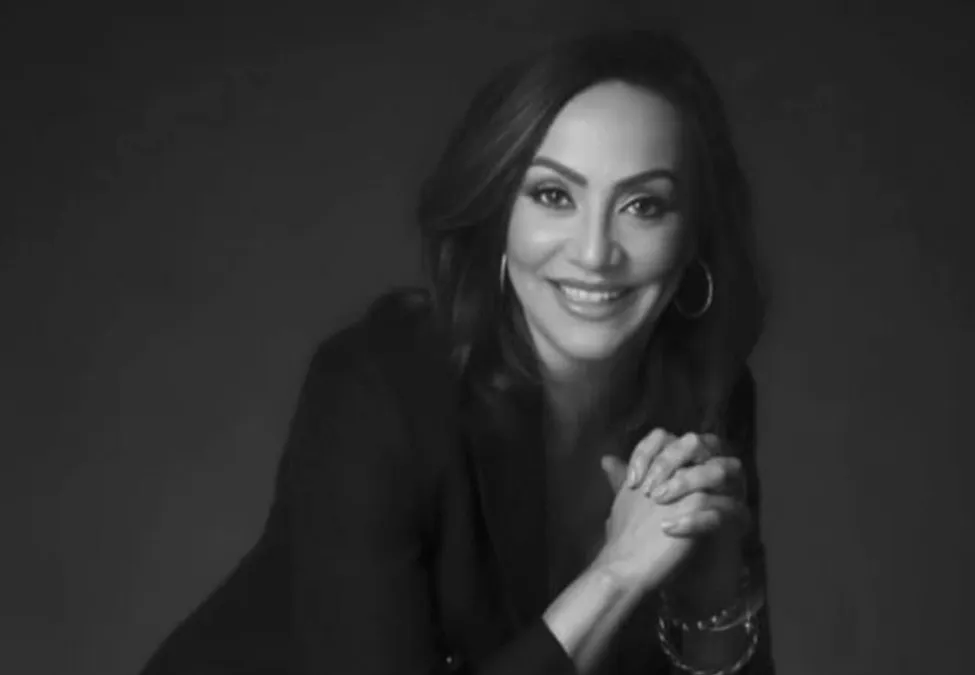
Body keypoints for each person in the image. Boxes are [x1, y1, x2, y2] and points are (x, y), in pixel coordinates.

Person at [140, 28, 774, 675]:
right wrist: (616, 575)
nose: (594, 253)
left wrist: (712, 595)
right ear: (498, 213)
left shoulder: (705, 395)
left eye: (643, 205)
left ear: (693, 233)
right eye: (554, 195)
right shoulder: (380, 388)